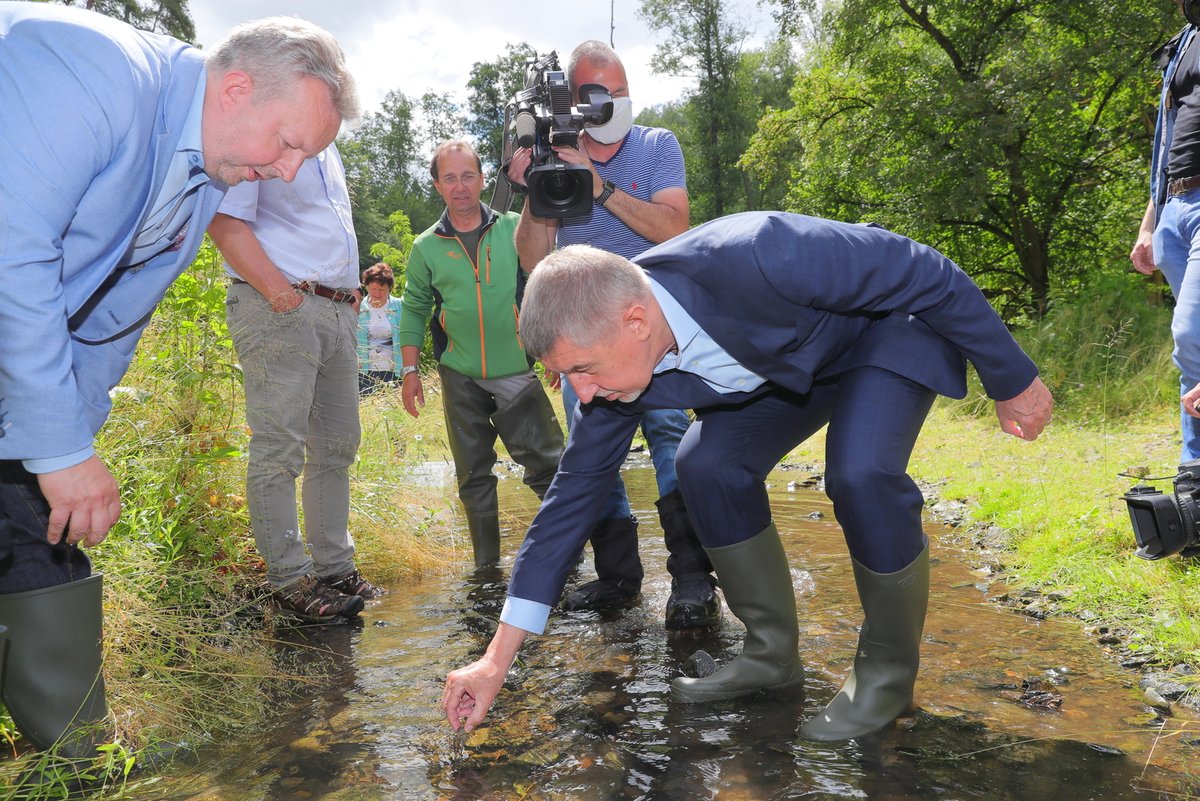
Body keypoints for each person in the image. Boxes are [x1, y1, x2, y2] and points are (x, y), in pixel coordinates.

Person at [443, 211, 1054, 742]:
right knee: (704, 464)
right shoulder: (614, 368)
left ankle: (887, 679)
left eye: (581, 368)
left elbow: (925, 270)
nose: (581, 393)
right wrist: (496, 660)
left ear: (634, 321)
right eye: (563, 375)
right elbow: (569, 502)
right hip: (788, 371)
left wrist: (1011, 378)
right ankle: (770, 653)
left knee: (861, 471)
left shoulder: (763, 252)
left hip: (883, 333)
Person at [0, 3, 355, 757]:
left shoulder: (204, 178)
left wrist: (71, 437)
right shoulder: (86, 67)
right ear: (234, 90)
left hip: (20, 362)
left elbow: (106, 319)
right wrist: (60, 450)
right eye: (289, 145)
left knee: (34, 528)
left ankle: (72, 758)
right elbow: (11, 249)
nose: (288, 171)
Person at [507, 39, 718, 630]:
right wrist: (537, 192)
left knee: (672, 439)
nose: (611, 104)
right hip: (586, 339)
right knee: (591, 455)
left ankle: (693, 577)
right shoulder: (554, 155)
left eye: (620, 93)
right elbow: (531, 258)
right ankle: (619, 577)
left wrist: (596, 183)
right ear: (574, 100)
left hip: (655, 327)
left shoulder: (656, 146)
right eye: (598, 94)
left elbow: (674, 225)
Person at [209, 141, 383, 624]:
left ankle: (334, 569)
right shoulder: (264, 133)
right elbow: (223, 219)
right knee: (279, 449)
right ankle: (288, 579)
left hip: (335, 310)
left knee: (336, 446)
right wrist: (282, 295)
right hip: (279, 305)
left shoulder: (329, 149)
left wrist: (346, 302)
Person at [399, 139, 565, 568]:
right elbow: (415, 307)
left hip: (516, 368)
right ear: (437, 185)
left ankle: (567, 559)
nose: (460, 186)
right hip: (460, 375)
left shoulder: (514, 227)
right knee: (473, 476)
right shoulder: (425, 247)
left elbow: (543, 285)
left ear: (482, 178)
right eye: (450, 178)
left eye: (467, 176)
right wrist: (410, 369)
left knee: (550, 469)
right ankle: (486, 571)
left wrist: (555, 351)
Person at [1132, 1, 1200, 460]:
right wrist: (1149, 224)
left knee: (1190, 332)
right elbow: (1166, 139)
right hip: (1175, 206)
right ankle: (1193, 479)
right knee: (1193, 358)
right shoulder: (1185, 39)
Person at [357, 262, 403, 395]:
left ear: (389, 288)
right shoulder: (358, 308)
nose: (377, 293)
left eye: (381, 289)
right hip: (364, 371)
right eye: (373, 289)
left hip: (394, 370)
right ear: (366, 287)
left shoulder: (400, 307)